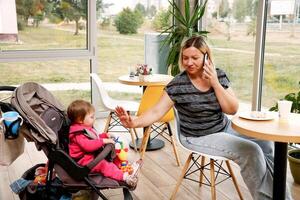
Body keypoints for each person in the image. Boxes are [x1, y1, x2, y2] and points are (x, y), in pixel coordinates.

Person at [116, 36, 292, 200]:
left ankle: (283, 197)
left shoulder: (219, 75)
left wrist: (215, 83)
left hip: (224, 127)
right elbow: (155, 112)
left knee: (267, 143)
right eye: (185, 58)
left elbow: (232, 109)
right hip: (197, 136)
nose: (189, 62)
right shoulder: (177, 84)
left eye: (195, 57)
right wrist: (134, 122)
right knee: (250, 151)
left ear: (206, 57)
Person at [67, 100, 142, 187]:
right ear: (80, 120)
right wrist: (103, 141)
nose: (94, 118)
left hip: (89, 157)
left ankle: (125, 168)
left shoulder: (84, 128)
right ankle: (124, 177)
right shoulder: (78, 134)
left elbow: (94, 138)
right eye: (92, 117)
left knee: (115, 156)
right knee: (103, 165)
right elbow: (88, 146)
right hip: (83, 162)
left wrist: (105, 135)